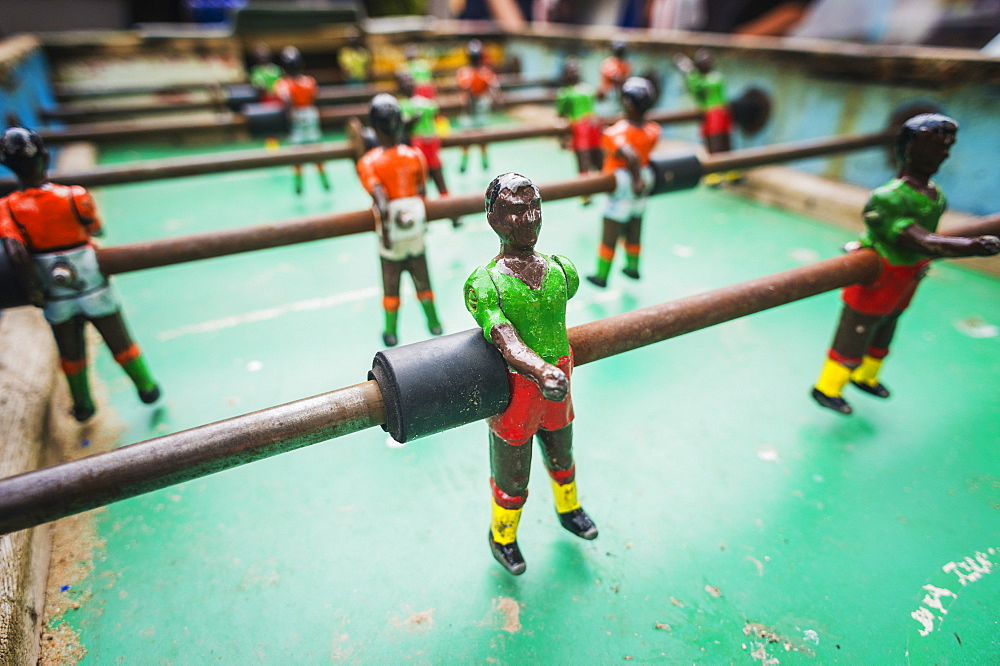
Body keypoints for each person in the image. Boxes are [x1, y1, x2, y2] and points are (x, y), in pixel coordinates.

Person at [811, 113, 1000, 415]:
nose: (943, 154)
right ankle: (828, 387)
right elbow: (920, 239)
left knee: (887, 327)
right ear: (909, 150)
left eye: (946, 147)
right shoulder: (888, 198)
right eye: (935, 147)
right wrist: (971, 246)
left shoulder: (934, 195)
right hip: (881, 273)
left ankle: (866, 376)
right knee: (856, 331)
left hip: (908, 275)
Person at [465, 172, 598, 576]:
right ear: (494, 219)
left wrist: (551, 374)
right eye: (517, 211)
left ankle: (569, 508)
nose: (530, 219)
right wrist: (541, 371)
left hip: (557, 383)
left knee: (563, 455)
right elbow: (505, 339)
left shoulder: (561, 270)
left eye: (535, 207)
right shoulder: (485, 283)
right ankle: (502, 537)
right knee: (512, 475)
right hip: (518, 392)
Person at [0, 127, 161, 422]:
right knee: (122, 343)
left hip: (55, 292)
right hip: (92, 283)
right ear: (45, 156)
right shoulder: (74, 196)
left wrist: (34, 288)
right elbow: (96, 228)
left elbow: (15, 251)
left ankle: (83, 405)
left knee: (71, 355)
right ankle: (147, 388)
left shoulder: (8, 208)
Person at [357, 94, 443, 347]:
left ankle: (391, 331)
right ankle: (434, 322)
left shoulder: (368, 162)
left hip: (391, 237)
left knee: (391, 287)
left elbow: (380, 199)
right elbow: (421, 188)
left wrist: (385, 233)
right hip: (415, 229)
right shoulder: (415, 154)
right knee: (423, 280)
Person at [586, 78, 661, 288]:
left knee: (610, 232)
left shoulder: (617, 132)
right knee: (635, 226)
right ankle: (633, 267)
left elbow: (629, 154)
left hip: (622, 183)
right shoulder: (653, 130)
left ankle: (601, 275)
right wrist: (640, 178)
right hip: (644, 180)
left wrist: (635, 178)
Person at [397, 72, 461, 228]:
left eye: (410, 80)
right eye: (405, 81)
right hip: (416, 145)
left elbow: (435, 112)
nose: (408, 84)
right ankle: (423, 218)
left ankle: (452, 214)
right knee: (420, 182)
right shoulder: (402, 105)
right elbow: (404, 125)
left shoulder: (423, 103)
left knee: (439, 177)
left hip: (429, 143)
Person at [274, 46, 331, 195]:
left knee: (297, 153)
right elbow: (314, 97)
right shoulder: (309, 81)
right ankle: (324, 180)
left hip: (296, 117)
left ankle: (299, 185)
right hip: (310, 115)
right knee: (315, 149)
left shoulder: (283, 84)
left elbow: (286, 101)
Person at [456, 39, 501, 173]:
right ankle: (464, 163)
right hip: (469, 109)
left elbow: (493, 88)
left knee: (482, 136)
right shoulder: (465, 72)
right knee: (466, 137)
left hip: (480, 107)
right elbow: (465, 89)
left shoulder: (485, 72)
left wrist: (494, 99)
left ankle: (484, 162)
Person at [555, 58, 602, 185]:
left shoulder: (567, 93)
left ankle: (589, 190)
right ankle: (593, 187)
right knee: (591, 157)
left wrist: (562, 138)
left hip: (585, 127)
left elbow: (561, 115)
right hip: (587, 126)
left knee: (588, 158)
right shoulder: (586, 90)